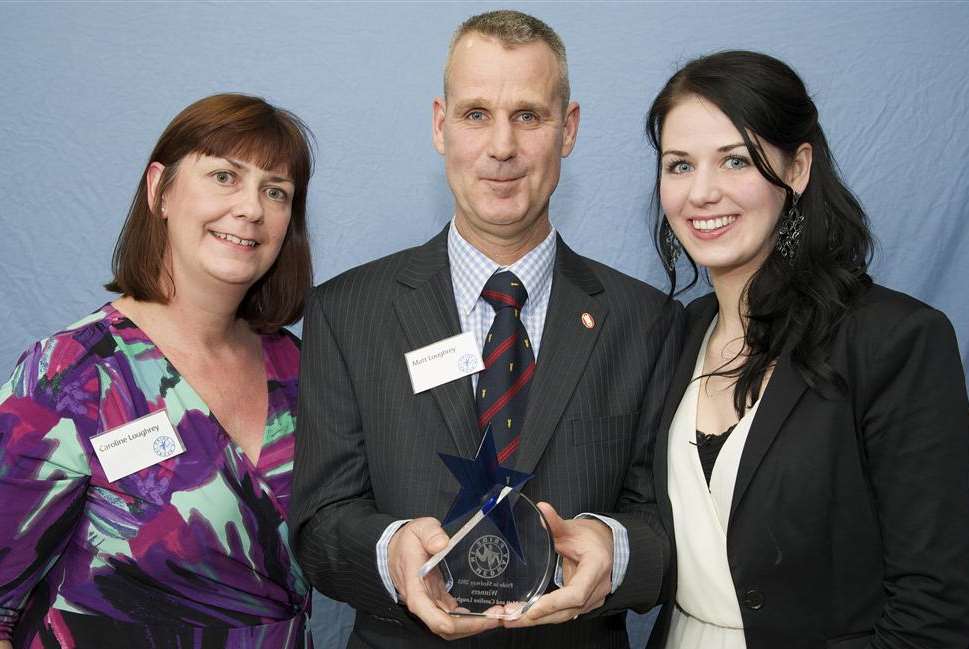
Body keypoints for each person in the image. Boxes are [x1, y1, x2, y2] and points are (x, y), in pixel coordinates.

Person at [290, 10, 682, 649]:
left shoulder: (645, 322)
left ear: (569, 129)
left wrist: (617, 549)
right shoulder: (347, 313)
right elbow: (318, 526)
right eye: (477, 115)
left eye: (528, 115)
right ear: (441, 126)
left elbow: (669, 530)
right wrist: (391, 555)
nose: (502, 147)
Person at [643, 50, 969, 649]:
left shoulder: (893, 339)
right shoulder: (674, 334)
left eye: (736, 160)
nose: (702, 192)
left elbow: (934, 607)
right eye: (679, 165)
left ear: (798, 169)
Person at [0, 93, 316, 648]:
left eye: (276, 191)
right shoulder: (69, 374)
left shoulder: (302, 369)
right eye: (224, 176)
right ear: (160, 190)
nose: (250, 208)